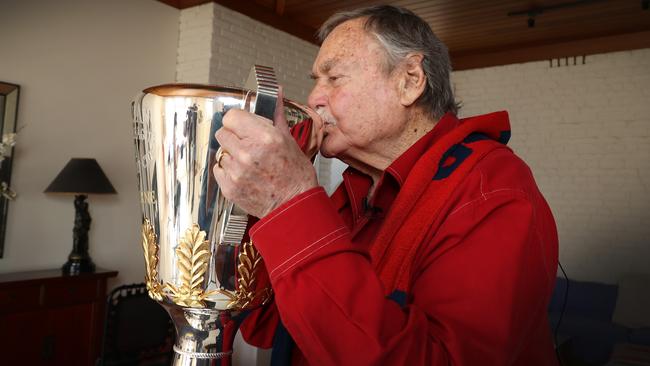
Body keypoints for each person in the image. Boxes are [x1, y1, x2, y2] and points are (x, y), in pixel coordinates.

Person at [213, 5, 559, 366]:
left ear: (410, 80)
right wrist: (265, 197)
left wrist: (288, 199)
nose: (314, 97)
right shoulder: (354, 193)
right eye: (316, 80)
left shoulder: (492, 188)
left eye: (334, 78)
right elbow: (265, 326)